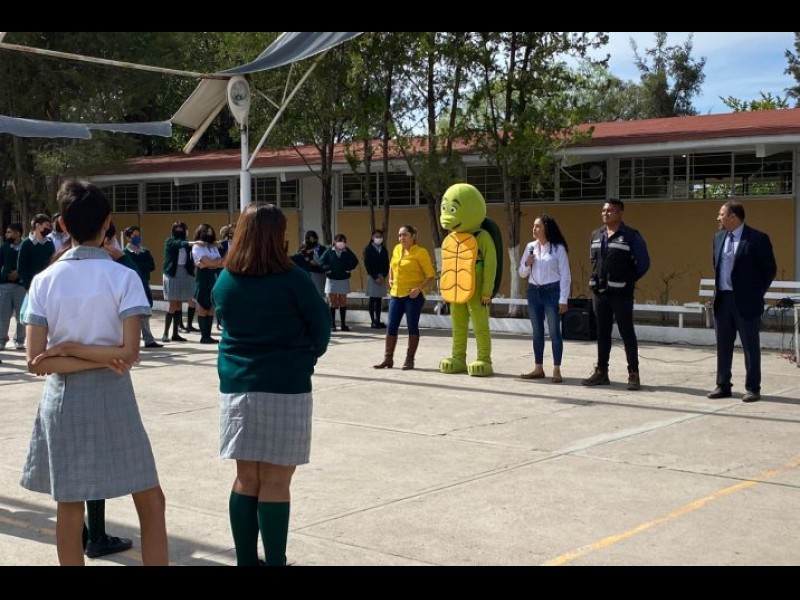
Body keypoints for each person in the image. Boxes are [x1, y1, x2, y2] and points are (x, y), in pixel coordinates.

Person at [20, 179, 167, 566]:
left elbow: (36, 362)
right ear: (107, 223)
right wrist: (104, 358)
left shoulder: (43, 281)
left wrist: (69, 348)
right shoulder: (123, 277)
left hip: (63, 396)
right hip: (114, 391)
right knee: (150, 500)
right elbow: (129, 352)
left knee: (70, 507)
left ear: (62, 225)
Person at [212, 202, 330, 567]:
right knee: (277, 481)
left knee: (246, 478)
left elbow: (222, 319)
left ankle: (246, 561)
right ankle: (275, 561)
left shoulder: (226, 279)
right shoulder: (294, 278)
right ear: (277, 236)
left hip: (238, 386)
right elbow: (321, 330)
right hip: (286, 385)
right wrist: (306, 356)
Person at [707, 201, 777, 403]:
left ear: (733, 217)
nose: (718, 218)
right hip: (723, 300)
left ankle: (753, 388)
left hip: (746, 302)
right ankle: (723, 385)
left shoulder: (757, 239)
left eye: (721, 214)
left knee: (750, 346)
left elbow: (769, 270)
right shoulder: (718, 238)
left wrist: (755, 293)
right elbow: (716, 265)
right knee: (723, 345)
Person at [581, 198, 650, 391]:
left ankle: (633, 373)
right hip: (600, 293)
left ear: (620, 213)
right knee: (602, 333)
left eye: (610, 211)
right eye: (603, 210)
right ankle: (601, 372)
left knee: (627, 333)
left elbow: (644, 264)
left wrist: (628, 280)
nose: (605, 213)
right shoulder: (596, 234)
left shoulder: (631, 236)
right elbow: (594, 261)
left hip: (621, 294)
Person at [518, 214, 571, 384]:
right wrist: (527, 263)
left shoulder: (558, 248)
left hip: (552, 292)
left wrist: (563, 299)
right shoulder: (530, 247)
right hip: (534, 292)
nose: (534, 229)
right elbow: (521, 273)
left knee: (554, 332)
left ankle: (556, 369)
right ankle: (538, 368)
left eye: (538, 226)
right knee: (537, 332)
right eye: (534, 226)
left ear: (546, 228)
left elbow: (565, 275)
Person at [374, 225, 436, 370]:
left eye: (405, 235)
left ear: (413, 236)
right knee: (391, 326)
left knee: (412, 326)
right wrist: (391, 277)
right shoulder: (397, 249)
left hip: (413, 296)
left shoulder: (420, 252)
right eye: (400, 235)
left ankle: (409, 359)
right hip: (396, 294)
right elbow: (392, 265)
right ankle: (388, 359)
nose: (401, 238)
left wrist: (418, 289)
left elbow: (430, 275)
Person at [122, 225, 163, 349]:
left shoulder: (145, 251)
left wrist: (139, 266)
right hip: (131, 285)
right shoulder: (125, 253)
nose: (137, 238)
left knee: (145, 311)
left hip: (144, 283)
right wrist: (139, 267)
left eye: (138, 236)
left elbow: (151, 265)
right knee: (131, 314)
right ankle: (128, 340)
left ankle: (148, 339)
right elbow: (129, 268)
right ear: (128, 238)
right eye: (134, 236)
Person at [161, 221, 195, 342]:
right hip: (172, 273)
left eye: (182, 229)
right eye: (177, 229)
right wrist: (194, 242)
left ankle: (175, 333)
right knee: (173, 304)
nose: (180, 231)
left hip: (184, 273)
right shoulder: (170, 241)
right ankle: (165, 333)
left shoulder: (188, 243)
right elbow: (179, 243)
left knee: (179, 304)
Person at [319, 233, 359, 332]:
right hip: (332, 279)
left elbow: (355, 261)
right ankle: (332, 324)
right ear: (335, 242)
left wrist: (348, 268)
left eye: (344, 241)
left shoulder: (347, 251)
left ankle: (343, 324)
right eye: (340, 241)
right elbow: (321, 262)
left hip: (343, 279)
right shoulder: (329, 251)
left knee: (342, 301)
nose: (342, 243)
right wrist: (327, 268)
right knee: (332, 302)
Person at [191, 223, 224, 344]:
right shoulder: (197, 247)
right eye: (206, 232)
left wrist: (211, 263)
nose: (209, 234)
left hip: (214, 277)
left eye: (210, 232)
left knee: (210, 308)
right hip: (203, 278)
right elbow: (204, 261)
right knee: (203, 307)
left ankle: (208, 336)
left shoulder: (213, 246)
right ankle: (203, 336)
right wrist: (213, 263)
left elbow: (220, 261)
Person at [0, 222, 26, 351]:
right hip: (5, 285)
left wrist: (19, 273)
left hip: (21, 286)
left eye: (10, 232)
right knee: (3, 315)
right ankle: (1, 340)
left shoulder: (26, 246)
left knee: (21, 315)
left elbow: (29, 264)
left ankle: (20, 340)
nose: (7, 234)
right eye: (7, 232)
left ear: (18, 233)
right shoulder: (4, 247)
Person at [17, 213, 56, 292]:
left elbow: (53, 263)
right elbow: (21, 268)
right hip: (31, 287)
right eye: (47, 225)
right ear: (38, 225)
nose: (49, 228)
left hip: (48, 285)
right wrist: (27, 286)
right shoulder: (26, 244)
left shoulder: (50, 243)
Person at [363, 229, 389, 329]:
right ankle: (373, 321)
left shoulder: (384, 249)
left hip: (381, 277)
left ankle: (378, 320)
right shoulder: (369, 249)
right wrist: (375, 277)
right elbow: (368, 264)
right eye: (376, 236)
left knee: (379, 299)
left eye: (380, 237)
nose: (378, 238)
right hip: (372, 277)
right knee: (372, 298)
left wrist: (384, 276)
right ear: (372, 237)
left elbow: (387, 264)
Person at [296, 230, 327, 298]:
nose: (311, 241)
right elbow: (298, 260)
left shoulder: (322, 248)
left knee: (319, 294)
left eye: (313, 239)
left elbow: (326, 260)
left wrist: (318, 263)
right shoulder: (302, 248)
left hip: (319, 273)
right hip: (306, 273)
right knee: (307, 293)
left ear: (316, 239)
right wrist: (308, 262)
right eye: (309, 239)